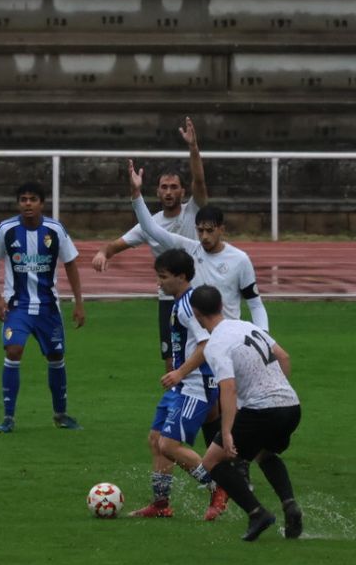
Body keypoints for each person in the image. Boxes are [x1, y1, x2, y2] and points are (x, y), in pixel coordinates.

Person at [91, 116, 209, 367]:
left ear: (182, 191)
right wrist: (103, 253)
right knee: (172, 363)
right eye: (164, 187)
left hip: (198, 293)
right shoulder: (149, 224)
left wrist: (193, 148)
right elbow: (113, 246)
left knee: (208, 357)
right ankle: (178, 404)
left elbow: (199, 180)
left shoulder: (193, 211)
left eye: (174, 187)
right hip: (169, 300)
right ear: (157, 192)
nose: (168, 191)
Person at [190, 286, 304, 543]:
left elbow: (227, 388)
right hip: (291, 406)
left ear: (197, 315)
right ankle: (289, 504)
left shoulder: (215, 344)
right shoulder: (247, 326)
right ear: (221, 305)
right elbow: (283, 357)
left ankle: (257, 513)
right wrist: (277, 389)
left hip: (262, 410)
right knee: (265, 453)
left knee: (212, 462)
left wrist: (227, 431)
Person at [126, 249, 227, 519]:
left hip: (195, 384)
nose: (159, 283)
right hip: (181, 385)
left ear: (181, 277)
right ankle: (161, 504)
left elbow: (206, 344)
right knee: (156, 439)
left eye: (163, 277)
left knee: (169, 445)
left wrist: (180, 372)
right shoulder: (179, 302)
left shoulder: (189, 305)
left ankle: (219, 486)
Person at [118, 160, 269, 331]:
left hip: (228, 336)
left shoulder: (240, 259)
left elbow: (255, 304)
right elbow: (150, 228)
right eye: (200, 231)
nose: (204, 237)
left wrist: (264, 336)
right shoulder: (190, 249)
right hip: (196, 337)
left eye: (210, 231)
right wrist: (136, 192)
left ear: (221, 230)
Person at [0, 181, 86, 433]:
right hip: (17, 306)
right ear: (18, 203)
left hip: (48, 307)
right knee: (13, 350)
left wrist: (78, 302)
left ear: (42, 203)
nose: (27, 204)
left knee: (55, 356)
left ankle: (60, 415)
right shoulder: (6, 229)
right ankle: (8, 417)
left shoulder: (55, 229)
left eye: (32, 199)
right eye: (23, 199)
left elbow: (71, 264)